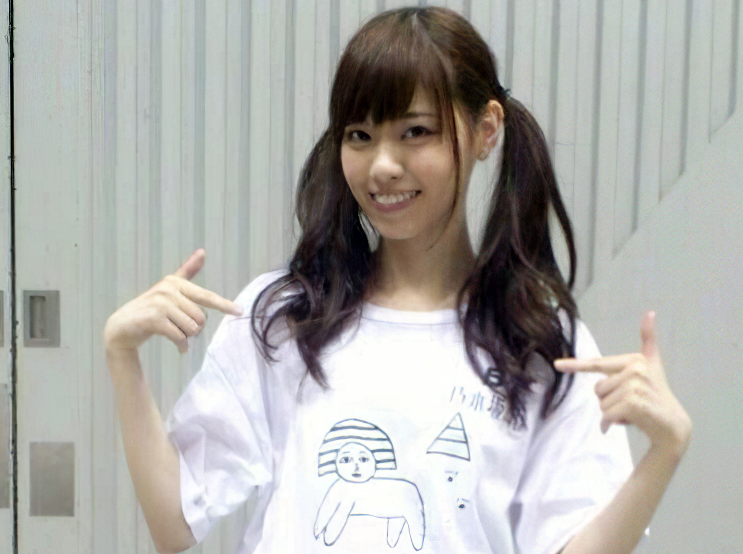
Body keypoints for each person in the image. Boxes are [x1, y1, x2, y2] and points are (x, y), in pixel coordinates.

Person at [102, 7, 691, 554]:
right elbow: (174, 522)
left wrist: (664, 452)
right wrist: (122, 355)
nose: (382, 165)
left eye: (415, 132)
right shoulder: (287, 319)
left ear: (486, 129)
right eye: (359, 135)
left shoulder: (534, 338)